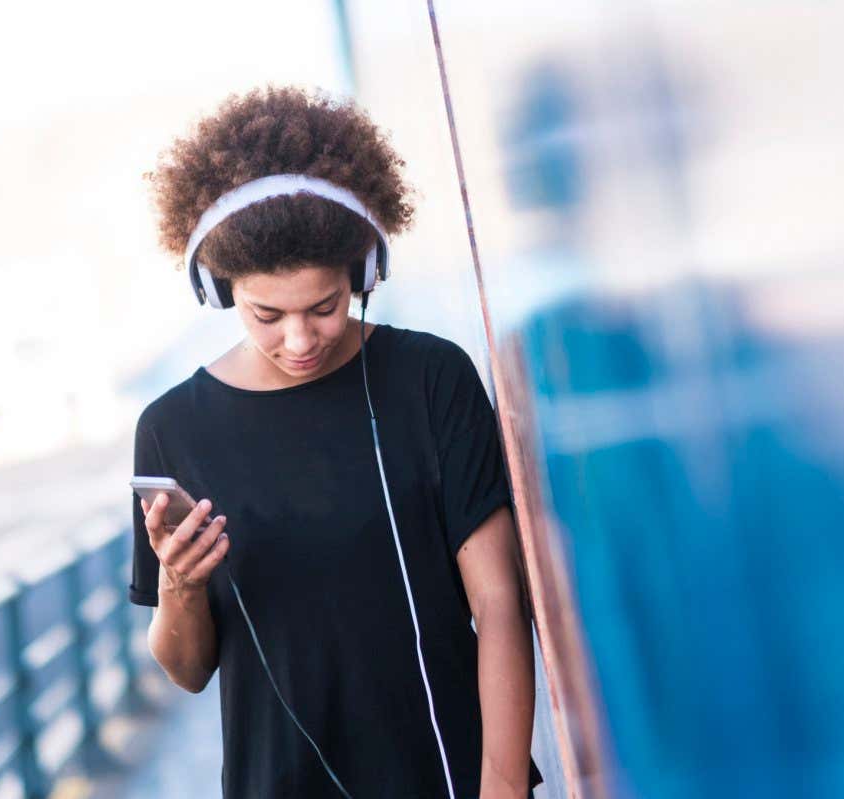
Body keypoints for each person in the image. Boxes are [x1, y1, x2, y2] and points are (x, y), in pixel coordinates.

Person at [130, 86, 543, 799]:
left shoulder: (431, 378)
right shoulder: (171, 428)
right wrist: (180, 584)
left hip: (452, 778)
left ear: (363, 273)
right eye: (267, 314)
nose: (299, 339)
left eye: (324, 306)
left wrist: (502, 789)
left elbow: (501, 601)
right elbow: (187, 669)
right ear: (222, 291)